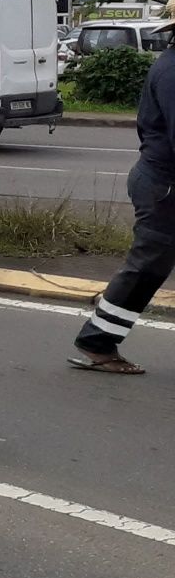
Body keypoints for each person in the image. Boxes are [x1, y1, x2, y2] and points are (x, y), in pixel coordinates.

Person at [69, 44, 175, 374]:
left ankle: (101, 333)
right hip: (164, 186)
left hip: (161, 180)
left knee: (150, 266)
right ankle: (97, 341)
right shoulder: (173, 71)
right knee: (147, 267)